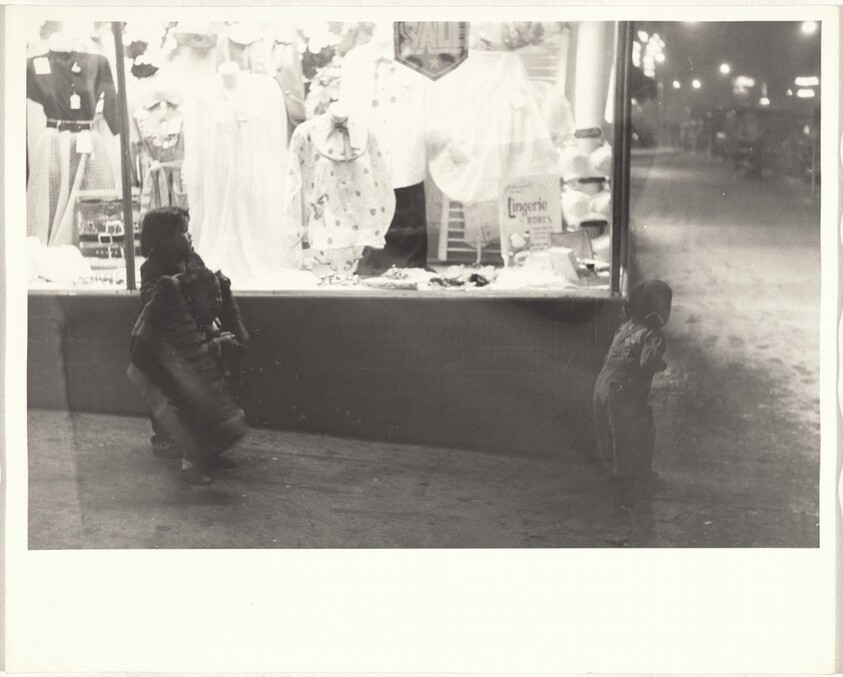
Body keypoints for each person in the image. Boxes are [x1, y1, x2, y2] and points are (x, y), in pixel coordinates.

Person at [127, 266, 248, 485]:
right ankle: (191, 465)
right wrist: (215, 344)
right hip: (148, 368)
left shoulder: (195, 313)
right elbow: (180, 357)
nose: (217, 302)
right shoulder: (177, 316)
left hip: (158, 361)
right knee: (188, 410)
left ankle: (207, 458)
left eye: (219, 295)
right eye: (210, 297)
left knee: (201, 398)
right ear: (194, 298)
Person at [592, 279, 673, 544]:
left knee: (612, 436)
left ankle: (613, 479)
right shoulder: (653, 334)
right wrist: (660, 364)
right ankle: (630, 487)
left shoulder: (624, 327)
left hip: (602, 387)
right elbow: (647, 361)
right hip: (624, 392)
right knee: (638, 434)